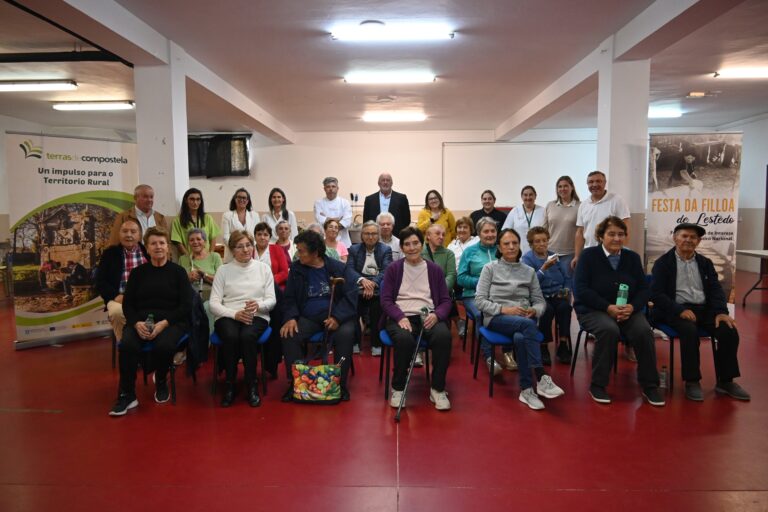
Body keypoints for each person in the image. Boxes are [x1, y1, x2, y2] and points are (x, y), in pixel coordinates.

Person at [650, 223, 749, 401]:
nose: (688, 240)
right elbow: (656, 294)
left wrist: (720, 311)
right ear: (675, 238)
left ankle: (726, 381)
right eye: (684, 236)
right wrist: (680, 310)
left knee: (728, 330)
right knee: (689, 331)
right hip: (674, 310)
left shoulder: (705, 263)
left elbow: (715, 290)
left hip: (705, 310)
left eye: (693, 237)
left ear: (698, 241)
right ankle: (692, 381)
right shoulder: (663, 263)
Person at [573, 216, 664, 407]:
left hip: (627, 310)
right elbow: (581, 290)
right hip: (593, 309)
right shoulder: (588, 256)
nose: (616, 238)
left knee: (644, 331)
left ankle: (650, 385)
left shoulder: (632, 258)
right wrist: (608, 307)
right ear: (600, 236)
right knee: (609, 330)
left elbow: (643, 289)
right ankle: (598, 385)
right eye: (611, 234)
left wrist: (632, 307)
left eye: (621, 234)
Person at [475, 228, 564, 410]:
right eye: (506, 244)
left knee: (521, 337)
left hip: (524, 318)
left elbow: (540, 302)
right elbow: (480, 300)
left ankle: (526, 389)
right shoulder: (489, 269)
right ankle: (540, 376)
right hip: (497, 317)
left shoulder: (529, 271)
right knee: (526, 327)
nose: (511, 247)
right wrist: (504, 309)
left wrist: (534, 310)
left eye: (515, 243)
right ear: (499, 247)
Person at [109, 227, 193, 416]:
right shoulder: (137, 273)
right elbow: (128, 305)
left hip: (171, 321)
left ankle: (161, 381)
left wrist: (164, 323)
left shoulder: (178, 272)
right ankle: (127, 394)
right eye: (153, 243)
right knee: (128, 345)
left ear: (167, 248)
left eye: (162, 243)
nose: (158, 247)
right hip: (141, 321)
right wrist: (135, 323)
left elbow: (186, 305)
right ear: (146, 248)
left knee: (164, 345)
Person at [279, 230, 357, 402]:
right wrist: (291, 317)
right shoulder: (297, 270)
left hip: (337, 316)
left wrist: (337, 317)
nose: (298, 255)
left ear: (315, 253)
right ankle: (296, 383)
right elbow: (289, 297)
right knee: (289, 334)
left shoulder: (338, 268)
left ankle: (339, 384)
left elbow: (351, 294)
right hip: (308, 317)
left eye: (301, 251)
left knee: (345, 335)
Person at [381, 227, 453, 411]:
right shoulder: (394, 269)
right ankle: (398, 387)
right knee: (404, 339)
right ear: (402, 248)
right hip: (401, 316)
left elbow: (445, 300)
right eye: (407, 244)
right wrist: (399, 317)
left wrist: (437, 315)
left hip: (428, 315)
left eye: (415, 243)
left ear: (422, 244)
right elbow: (386, 300)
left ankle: (437, 388)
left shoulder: (434, 270)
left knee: (443, 336)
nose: (412, 247)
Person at [209, 230, 276, 407]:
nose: (246, 249)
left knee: (247, 337)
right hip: (228, 314)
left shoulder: (263, 269)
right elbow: (213, 304)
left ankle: (251, 383)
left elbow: (271, 300)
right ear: (232, 249)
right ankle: (230, 384)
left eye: (248, 245)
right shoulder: (223, 271)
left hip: (257, 314)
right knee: (230, 336)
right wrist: (234, 314)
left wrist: (258, 306)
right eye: (240, 246)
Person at [458, 217, 515, 374]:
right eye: (486, 231)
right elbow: (461, 278)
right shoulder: (469, 251)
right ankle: (489, 356)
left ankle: (508, 352)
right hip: (473, 295)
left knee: (511, 310)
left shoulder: (503, 249)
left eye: (493, 231)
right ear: (478, 233)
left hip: (501, 294)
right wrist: (482, 281)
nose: (490, 234)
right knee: (481, 314)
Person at [522, 226, 573, 365]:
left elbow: (567, 277)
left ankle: (563, 343)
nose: (542, 244)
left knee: (565, 308)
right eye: (537, 241)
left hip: (558, 294)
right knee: (547, 310)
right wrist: (544, 268)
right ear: (531, 244)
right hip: (540, 295)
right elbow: (530, 282)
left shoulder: (554, 256)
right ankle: (543, 346)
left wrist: (567, 289)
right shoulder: (527, 259)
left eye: (544, 240)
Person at [346, 221, 393, 357]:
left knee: (377, 309)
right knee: (353, 309)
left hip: (377, 288)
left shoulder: (385, 249)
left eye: (373, 234)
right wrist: (363, 281)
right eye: (367, 233)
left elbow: (386, 270)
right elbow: (349, 269)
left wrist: (372, 284)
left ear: (378, 235)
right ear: (362, 235)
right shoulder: (354, 249)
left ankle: (376, 344)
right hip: (358, 286)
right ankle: (355, 342)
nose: (370, 237)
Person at [96, 218, 148, 340]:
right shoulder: (110, 254)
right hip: (119, 299)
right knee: (116, 313)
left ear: (139, 235)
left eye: (133, 231)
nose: (129, 235)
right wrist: (115, 296)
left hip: (146, 298)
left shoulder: (148, 252)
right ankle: (125, 345)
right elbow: (100, 282)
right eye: (125, 231)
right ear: (119, 234)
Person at [253, 222, 291, 378]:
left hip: (275, 292)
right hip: (253, 293)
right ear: (254, 236)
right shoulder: (249, 250)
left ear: (270, 237)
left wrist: (268, 281)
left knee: (275, 323)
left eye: (265, 234)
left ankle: (272, 363)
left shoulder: (276, 249)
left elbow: (284, 272)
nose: (262, 237)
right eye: (259, 234)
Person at [573, 171, 630, 268]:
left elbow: (626, 228)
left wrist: (621, 251)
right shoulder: (584, 205)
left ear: (605, 183)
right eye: (591, 182)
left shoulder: (617, 200)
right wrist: (577, 256)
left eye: (598, 181)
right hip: (589, 254)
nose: (594, 184)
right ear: (587, 184)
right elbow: (580, 232)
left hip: (611, 254)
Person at [542, 176, 580, 288]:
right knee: (551, 282)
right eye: (560, 186)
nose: (562, 189)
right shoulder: (550, 205)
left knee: (568, 284)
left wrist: (578, 255)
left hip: (570, 253)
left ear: (572, 187)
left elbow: (581, 231)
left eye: (565, 186)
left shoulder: (580, 206)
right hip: (550, 252)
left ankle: (568, 305)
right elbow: (543, 229)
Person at [447, 216, 479, 338]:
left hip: (470, 278)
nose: (462, 230)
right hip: (455, 278)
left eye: (465, 227)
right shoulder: (452, 245)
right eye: (459, 227)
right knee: (444, 291)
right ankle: (458, 320)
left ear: (471, 229)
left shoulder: (476, 242)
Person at [171, 188, 220, 256]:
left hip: (206, 257)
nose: (195, 202)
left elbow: (213, 238)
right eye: (192, 199)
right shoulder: (178, 221)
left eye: (198, 199)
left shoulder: (208, 218)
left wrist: (210, 256)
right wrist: (188, 257)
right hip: (189, 258)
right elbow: (178, 243)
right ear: (186, 200)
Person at [178, 228, 222, 302]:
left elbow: (222, 282)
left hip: (212, 299)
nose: (195, 242)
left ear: (204, 242)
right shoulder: (183, 259)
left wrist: (205, 275)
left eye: (198, 239)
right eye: (191, 240)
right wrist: (187, 278)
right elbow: (177, 284)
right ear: (188, 243)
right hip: (189, 299)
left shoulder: (215, 257)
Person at [502, 185, 545, 255]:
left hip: (538, 250)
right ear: (522, 197)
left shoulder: (543, 211)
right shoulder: (515, 211)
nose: (528, 197)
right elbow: (505, 231)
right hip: (519, 251)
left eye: (531, 195)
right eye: (525, 195)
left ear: (535, 196)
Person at [221, 188, 260, 262]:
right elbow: (225, 237)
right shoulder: (227, 215)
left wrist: (248, 249)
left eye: (244, 198)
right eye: (239, 197)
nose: (241, 200)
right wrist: (237, 249)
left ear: (248, 201)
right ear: (235, 199)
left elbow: (256, 235)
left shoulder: (255, 215)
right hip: (232, 255)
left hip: (250, 254)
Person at [314, 177, 353, 246]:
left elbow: (347, 222)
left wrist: (327, 219)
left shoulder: (345, 202)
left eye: (333, 186)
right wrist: (338, 219)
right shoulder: (318, 203)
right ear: (324, 189)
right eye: (328, 187)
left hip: (344, 243)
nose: (331, 189)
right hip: (324, 243)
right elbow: (320, 221)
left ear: (337, 188)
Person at [421, 224, 456, 292]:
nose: (441, 237)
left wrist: (438, 290)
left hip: (442, 293)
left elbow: (451, 276)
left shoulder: (449, 254)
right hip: (422, 293)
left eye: (443, 235)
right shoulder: (419, 253)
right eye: (437, 234)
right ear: (428, 236)